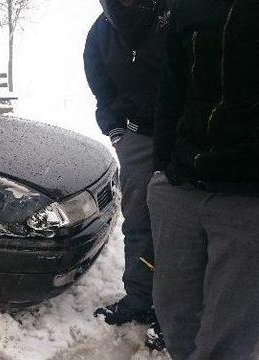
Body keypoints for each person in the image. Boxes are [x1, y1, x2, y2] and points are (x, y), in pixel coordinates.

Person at [149, 0, 259, 358]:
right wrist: (162, 164)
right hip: (181, 183)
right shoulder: (188, 6)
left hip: (246, 196)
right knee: (174, 312)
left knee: (228, 336)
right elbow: (171, 86)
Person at [83, 0, 168, 350]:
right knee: (137, 223)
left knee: (179, 232)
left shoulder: (172, 18)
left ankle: (172, 312)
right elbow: (100, 86)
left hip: (183, 141)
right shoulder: (101, 31)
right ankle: (138, 299)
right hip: (136, 141)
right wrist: (116, 130)